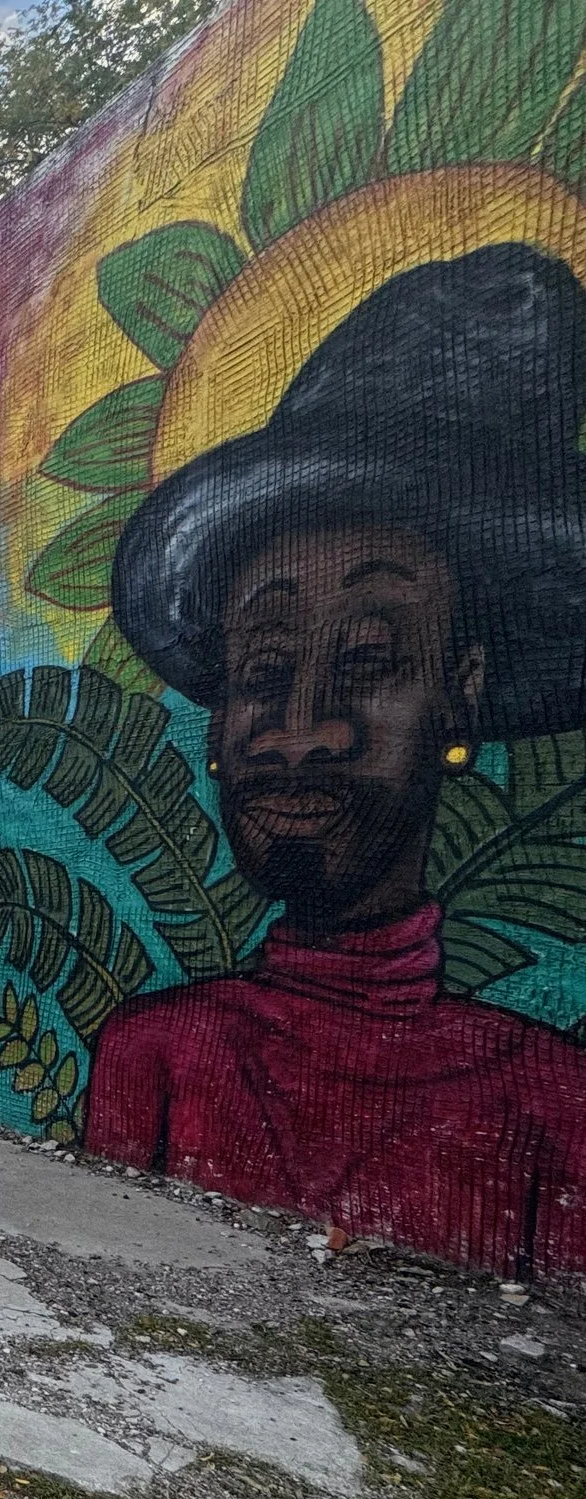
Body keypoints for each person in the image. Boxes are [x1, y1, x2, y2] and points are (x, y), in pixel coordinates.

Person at [87, 243, 586, 1280]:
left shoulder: (550, 1104)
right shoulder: (156, 1055)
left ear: (461, 691)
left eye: (368, 659)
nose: (300, 727)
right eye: (262, 668)